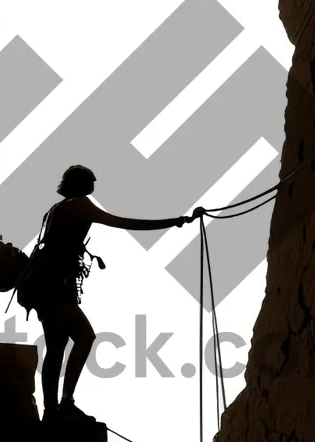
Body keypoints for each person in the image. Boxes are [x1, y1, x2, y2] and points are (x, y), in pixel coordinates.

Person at [24, 164, 202, 421]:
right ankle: (62, 404)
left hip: (44, 288)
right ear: (80, 184)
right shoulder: (79, 205)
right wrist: (174, 222)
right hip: (56, 288)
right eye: (90, 182)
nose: (94, 188)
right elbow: (121, 222)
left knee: (58, 346)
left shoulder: (55, 210)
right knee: (82, 338)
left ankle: (53, 408)